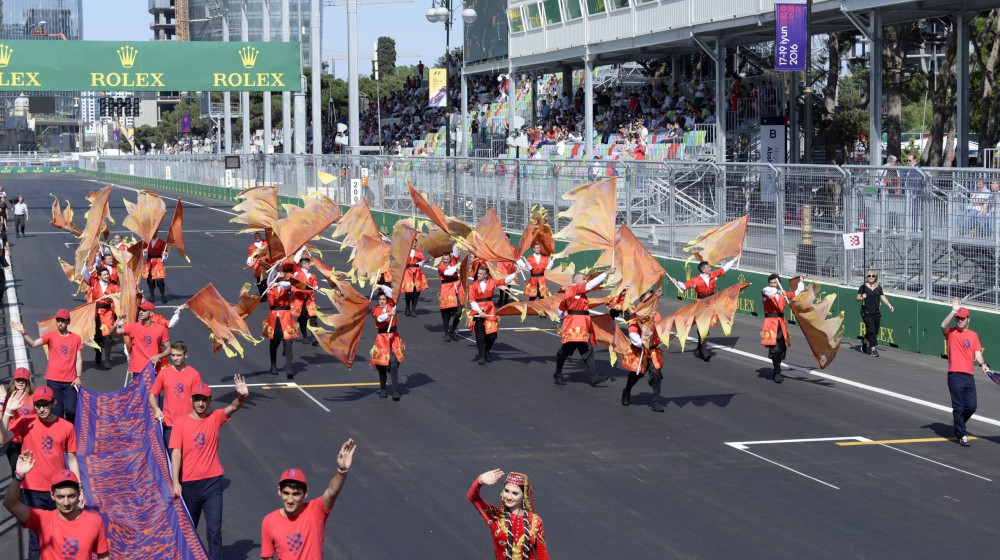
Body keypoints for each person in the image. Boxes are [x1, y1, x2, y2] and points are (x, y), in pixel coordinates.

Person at [169, 376, 249, 560]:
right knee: (188, 530)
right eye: (197, 399)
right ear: (191, 400)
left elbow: (233, 407)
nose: (200, 403)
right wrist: (176, 482)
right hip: (190, 485)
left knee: (214, 529)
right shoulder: (180, 423)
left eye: (204, 399)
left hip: (213, 484)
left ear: (209, 401)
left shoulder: (215, 418)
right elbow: (176, 454)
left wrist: (243, 396)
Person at [0, 386, 82, 560]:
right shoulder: (25, 422)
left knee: (62, 535)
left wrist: (79, 489)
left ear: (54, 403)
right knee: (36, 539)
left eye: (45, 404)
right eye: (37, 405)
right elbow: (2, 439)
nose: (41, 409)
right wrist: (7, 410)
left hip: (59, 492)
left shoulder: (66, 427)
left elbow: (73, 459)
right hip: (33, 490)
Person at [260, 439, 357, 560]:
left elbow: (331, 492)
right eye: (286, 493)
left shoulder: (315, 510)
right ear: (279, 491)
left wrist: (342, 471)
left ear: (305, 494)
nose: (290, 499)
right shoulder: (269, 521)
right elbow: (267, 557)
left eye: (296, 494)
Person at [3, 456, 108, 560]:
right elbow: (10, 504)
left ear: (78, 494)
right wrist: (19, 476)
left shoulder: (95, 521)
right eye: (60, 497)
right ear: (52, 495)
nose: (66, 502)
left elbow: (103, 556)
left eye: (71, 496)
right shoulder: (42, 519)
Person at [11, 309, 83, 423]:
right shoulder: (51, 335)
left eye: (63, 320)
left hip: (71, 381)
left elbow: (78, 359)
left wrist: (78, 377)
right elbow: (33, 344)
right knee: (57, 412)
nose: (60, 323)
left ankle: (69, 430)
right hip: (53, 380)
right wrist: (23, 332)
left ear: (68, 322)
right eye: (58, 320)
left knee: (71, 410)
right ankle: (60, 435)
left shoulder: (76, 338)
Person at [941, 299, 992, 447]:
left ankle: (958, 423)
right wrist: (953, 311)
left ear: (968, 319)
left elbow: (978, 354)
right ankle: (962, 434)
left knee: (971, 406)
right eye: (958, 319)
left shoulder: (973, 335)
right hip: (954, 375)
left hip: (969, 376)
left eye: (962, 319)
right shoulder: (950, 333)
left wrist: (983, 364)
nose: (960, 321)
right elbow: (943, 325)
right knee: (958, 407)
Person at [468, 469, 550, 560]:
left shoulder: (536, 522)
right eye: (506, 491)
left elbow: (542, 554)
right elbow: (473, 497)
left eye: (515, 493)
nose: (509, 497)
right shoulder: (495, 516)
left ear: (524, 496)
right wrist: (479, 480)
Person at [673, 256, 740, 361]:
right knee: (703, 327)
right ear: (703, 270)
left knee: (705, 327)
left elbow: (724, 268)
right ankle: (704, 352)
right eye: (708, 267)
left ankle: (699, 348)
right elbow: (684, 286)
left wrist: (735, 260)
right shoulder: (696, 280)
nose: (710, 268)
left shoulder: (713, 276)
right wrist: (676, 282)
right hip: (701, 304)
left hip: (712, 303)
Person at [554, 268, 613, 386]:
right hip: (574, 326)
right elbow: (591, 285)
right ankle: (558, 373)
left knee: (587, 350)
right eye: (583, 278)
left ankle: (594, 376)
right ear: (576, 281)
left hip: (581, 325)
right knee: (567, 350)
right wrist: (605, 273)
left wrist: (562, 317)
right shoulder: (574, 289)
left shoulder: (575, 293)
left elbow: (560, 311)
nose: (586, 280)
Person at [149, 341, 204, 448]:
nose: (175, 358)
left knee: (187, 459)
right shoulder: (164, 374)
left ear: (186, 355)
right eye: (173, 355)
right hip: (169, 424)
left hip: (189, 424)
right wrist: (156, 409)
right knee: (173, 458)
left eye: (178, 355)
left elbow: (199, 398)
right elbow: (152, 394)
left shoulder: (194, 374)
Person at [760, 274, 805, 383]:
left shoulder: (783, 294)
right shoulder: (766, 293)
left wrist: (801, 282)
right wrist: (779, 291)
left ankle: (777, 367)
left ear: (778, 283)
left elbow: (797, 293)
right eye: (771, 283)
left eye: (775, 283)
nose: (772, 285)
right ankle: (777, 371)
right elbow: (766, 290)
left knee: (781, 349)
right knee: (774, 349)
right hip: (771, 323)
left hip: (781, 323)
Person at [468, 265, 518, 365]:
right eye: (478, 273)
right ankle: (482, 355)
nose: (478, 275)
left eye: (481, 273)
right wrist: (479, 311)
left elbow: (504, 281)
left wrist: (515, 274)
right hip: (478, 311)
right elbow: (472, 300)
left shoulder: (492, 282)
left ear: (486, 275)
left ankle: (486, 350)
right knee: (480, 336)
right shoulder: (473, 285)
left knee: (493, 335)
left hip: (490, 310)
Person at [620, 305, 665, 413]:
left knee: (656, 373)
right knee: (637, 374)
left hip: (653, 351)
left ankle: (656, 401)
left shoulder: (657, 315)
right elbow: (632, 332)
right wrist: (641, 342)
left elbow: (661, 330)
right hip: (640, 351)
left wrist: (667, 335)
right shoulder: (636, 316)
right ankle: (627, 390)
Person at [264, 263, 299, 378]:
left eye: (283, 273)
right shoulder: (270, 287)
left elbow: (286, 284)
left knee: (288, 342)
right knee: (274, 342)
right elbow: (269, 279)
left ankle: (289, 369)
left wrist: (277, 283)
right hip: (274, 315)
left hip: (286, 315)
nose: (282, 274)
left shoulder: (286, 285)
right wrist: (270, 285)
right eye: (279, 273)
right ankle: (273, 365)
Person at [82, 266, 119, 370]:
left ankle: (107, 360)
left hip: (107, 314)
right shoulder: (94, 285)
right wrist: (85, 265)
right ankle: (98, 354)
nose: (107, 276)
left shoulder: (113, 286)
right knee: (97, 337)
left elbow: (119, 296)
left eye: (107, 274)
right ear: (99, 276)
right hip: (95, 314)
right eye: (104, 274)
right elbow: (85, 276)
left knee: (107, 337)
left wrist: (114, 297)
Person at [370, 290, 404, 401]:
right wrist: (389, 314)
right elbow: (379, 318)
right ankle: (383, 388)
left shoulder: (391, 305)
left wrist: (380, 286)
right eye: (380, 299)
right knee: (381, 366)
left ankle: (395, 391)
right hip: (382, 339)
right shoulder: (375, 310)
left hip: (394, 338)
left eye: (384, 299)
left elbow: (391, 292)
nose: (382, 301)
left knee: (394, 364)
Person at [0, 367, 34, 472]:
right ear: (14, 380)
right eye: (18, 379)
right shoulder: (7, 396)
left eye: (23, 380)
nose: (20, 382)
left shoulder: (34, 396)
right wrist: (2, 400)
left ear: (28, 381)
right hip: (13, 439)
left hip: (30, 439)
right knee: (17, 471)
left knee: (31, 471)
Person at [857, 270, 895, 357]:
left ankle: (865, 340)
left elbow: (883, 296)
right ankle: (873, 349)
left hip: (876, 311)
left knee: (875, 330)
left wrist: (889, 305)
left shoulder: (878, 287)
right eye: (869, 276)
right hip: (866, 312)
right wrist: (862, 296)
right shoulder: (863, 287)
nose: (871, 277)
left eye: (873, 276)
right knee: (871, 329)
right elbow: (858, 297)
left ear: (875, 277)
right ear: (866, 277)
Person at [434, 247, 463, 342]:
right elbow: (449, 273)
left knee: (459, 312)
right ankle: (446, 332)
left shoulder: (453, 262)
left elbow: (455, 253)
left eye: (447, 259)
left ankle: (453, 330)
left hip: (457, 289)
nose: (446, 261)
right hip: (446, 290)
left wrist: (455, 242)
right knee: (446, 314)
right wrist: (457, 266)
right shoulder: (441, 267)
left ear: (450, 259)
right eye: (444, 259)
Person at [292, 254, 319, 346]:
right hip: (300, 301)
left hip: (310, 300)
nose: (310, 265)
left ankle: (315, 337)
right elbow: (295, 262)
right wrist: (300, 251)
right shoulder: (297, 273)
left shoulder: (312, 275)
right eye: (308, 264)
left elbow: (315, 284)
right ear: (303, 265)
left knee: (313, 318)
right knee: (302, 319)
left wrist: (315, 287)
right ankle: (305, 336)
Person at [142, 231, 169, 304]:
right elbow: (143, 254)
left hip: (158, 262)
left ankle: (163, 295)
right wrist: (144, 252)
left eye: (155, 232)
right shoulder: (147, 242)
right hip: (149, 262)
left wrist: (164, 254)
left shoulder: (161, 242)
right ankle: (152, 296)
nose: (153, 234)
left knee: (160, 280)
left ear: (157, 233)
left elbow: (165, 254)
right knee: (150, 280)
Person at [401, 246, 428, 316]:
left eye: (415, 242)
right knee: (408, 291)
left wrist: (421, 263)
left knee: (416, 292)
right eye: (413, 242)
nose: (414, 244)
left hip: (417, 272)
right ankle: (407, 306)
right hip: (407, 272)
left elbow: (422, 264)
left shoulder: (419, 253)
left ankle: (413, 309)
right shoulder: (405, 252)